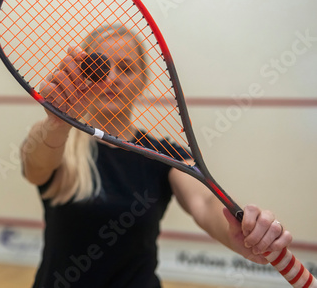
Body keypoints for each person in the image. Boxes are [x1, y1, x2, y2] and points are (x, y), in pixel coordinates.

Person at [20, 24, 292, 288]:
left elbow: (205, 202)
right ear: (83, 75)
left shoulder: (165, 155)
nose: (112, 79)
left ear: (143, 80)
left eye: (126, 68)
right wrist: (57, 124)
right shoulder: (57, 140)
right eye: (99, 68)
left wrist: (243, 233)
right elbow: (34, 167)